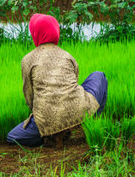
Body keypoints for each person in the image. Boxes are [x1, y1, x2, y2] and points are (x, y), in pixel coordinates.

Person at [7, 13, 108, 147]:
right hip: (78, 109)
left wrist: (38, 114)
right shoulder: (66, 55)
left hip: (47, 120)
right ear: (56, 32)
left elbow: (29, 94)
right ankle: (91, 123)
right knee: (99, 76)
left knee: (12, 137)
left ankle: (51, 136)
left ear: (35, 34)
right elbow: (75, 82)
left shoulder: (27, 59)